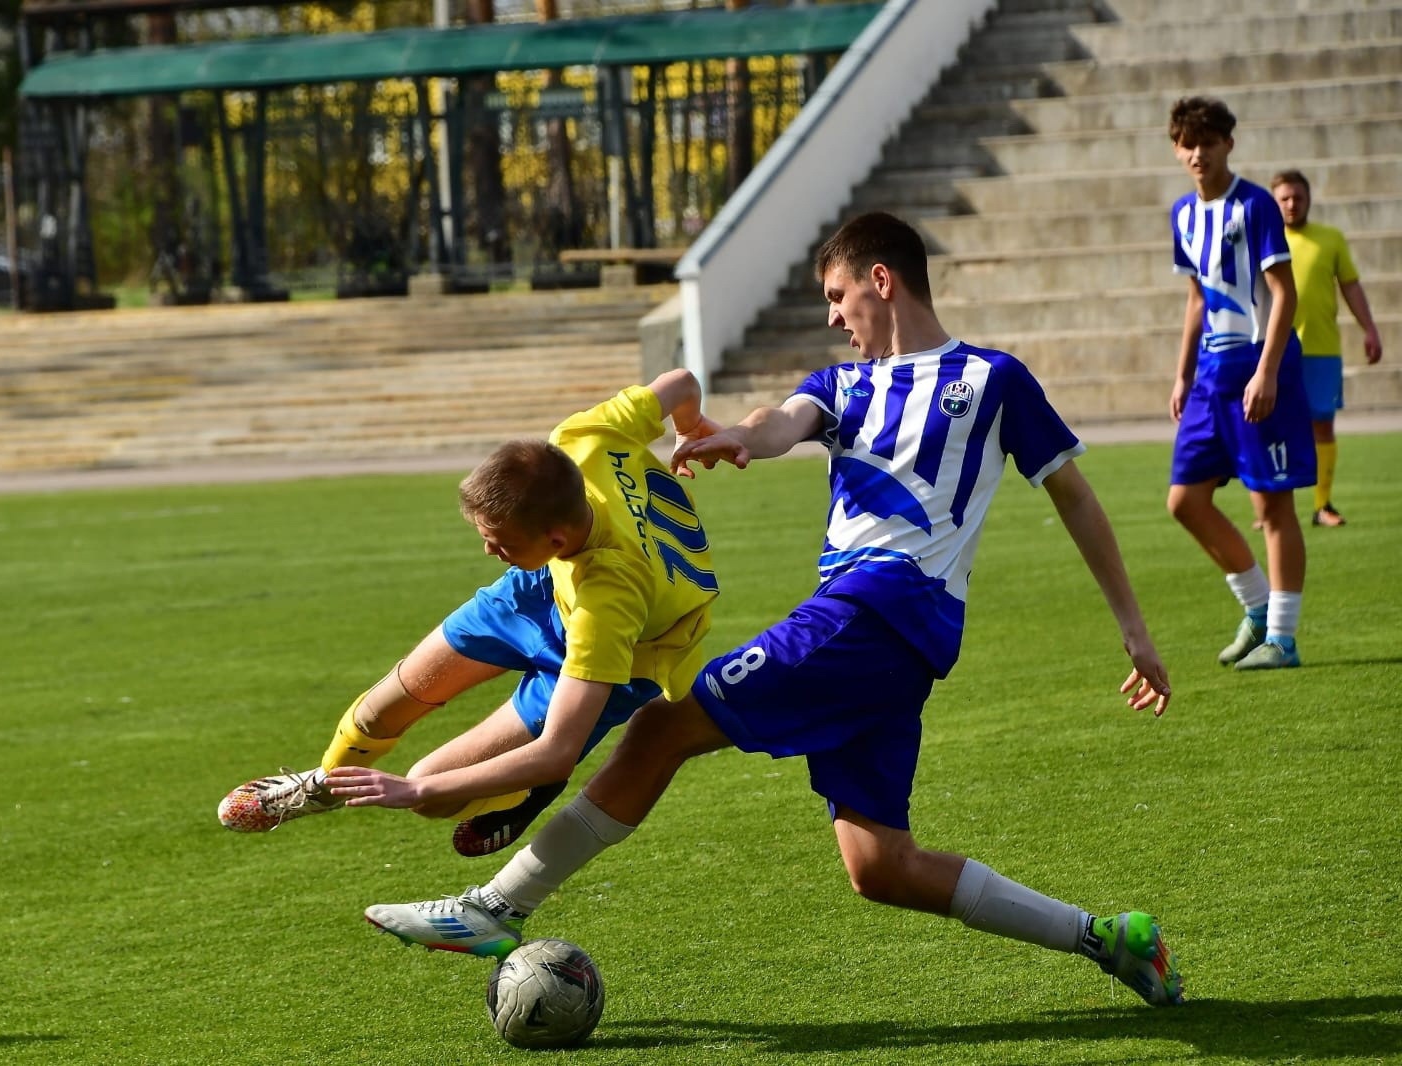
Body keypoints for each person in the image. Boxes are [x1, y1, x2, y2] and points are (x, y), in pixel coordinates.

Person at [344, 211, 1184, 1008]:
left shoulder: (991, 379)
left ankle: (497, 906)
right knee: (881, 867)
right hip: (885, 640)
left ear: (880, 281)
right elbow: (784, 421)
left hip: (875, 608)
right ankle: (1110, 938)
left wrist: (1135, 629)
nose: (833, 317)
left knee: (663, 727)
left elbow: (1073, 496)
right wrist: (742, 435)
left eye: (837, 296)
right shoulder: (843, 385)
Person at [217, 369, 722, 857]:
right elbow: (681, 381)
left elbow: (556, 748)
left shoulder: (609, 599)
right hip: (544, 584)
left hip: (631, 649)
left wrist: (413, 793)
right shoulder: (581, 437)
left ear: (554, 538)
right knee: (382, 708)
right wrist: (689, 427)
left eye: (498, 543)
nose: (487, 552)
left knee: (433, 788)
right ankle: (324, 785)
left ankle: (528, 792)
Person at [1165, 96, 1314, 672]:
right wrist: (1181, 374)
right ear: (1177, 150)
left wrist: (1268, 371)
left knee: (1274, 505)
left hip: (1259, 368)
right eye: (1187, 143)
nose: (1197, 153)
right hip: (1209, 378)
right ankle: (1256, 611)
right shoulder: (1182, 213)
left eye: (1208, 141)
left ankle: (1283, 637)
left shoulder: (1254, 205)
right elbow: (1196, 298)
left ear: (1229, 142)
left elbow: (1285, 293)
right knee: (1184, 502)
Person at [1270, 168, 1384, 528]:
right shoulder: (1266, 238)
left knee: (1322, 425)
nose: (1291, 204)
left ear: (1308, 199)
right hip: (1275, 350)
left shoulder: (1330, 238)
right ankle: (1272, 505)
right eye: (1284, 198)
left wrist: (1370, 329)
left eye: (1297, 197)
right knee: (1272, 427)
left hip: (1321, 349)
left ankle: (1322, 506)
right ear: (1275, 202)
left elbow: (1351, 286)